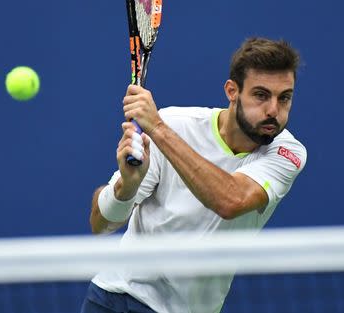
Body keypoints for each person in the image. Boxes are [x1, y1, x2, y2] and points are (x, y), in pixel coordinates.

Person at [81, 37, 307, 313]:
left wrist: (159, 130)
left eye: (284, 98)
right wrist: (126, 187)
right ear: (232, 91)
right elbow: (100, 224)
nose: (273, 110)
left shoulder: (287, 152)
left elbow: (231, 201)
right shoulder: (176, 124)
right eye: (261, 95)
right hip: (117, 298)